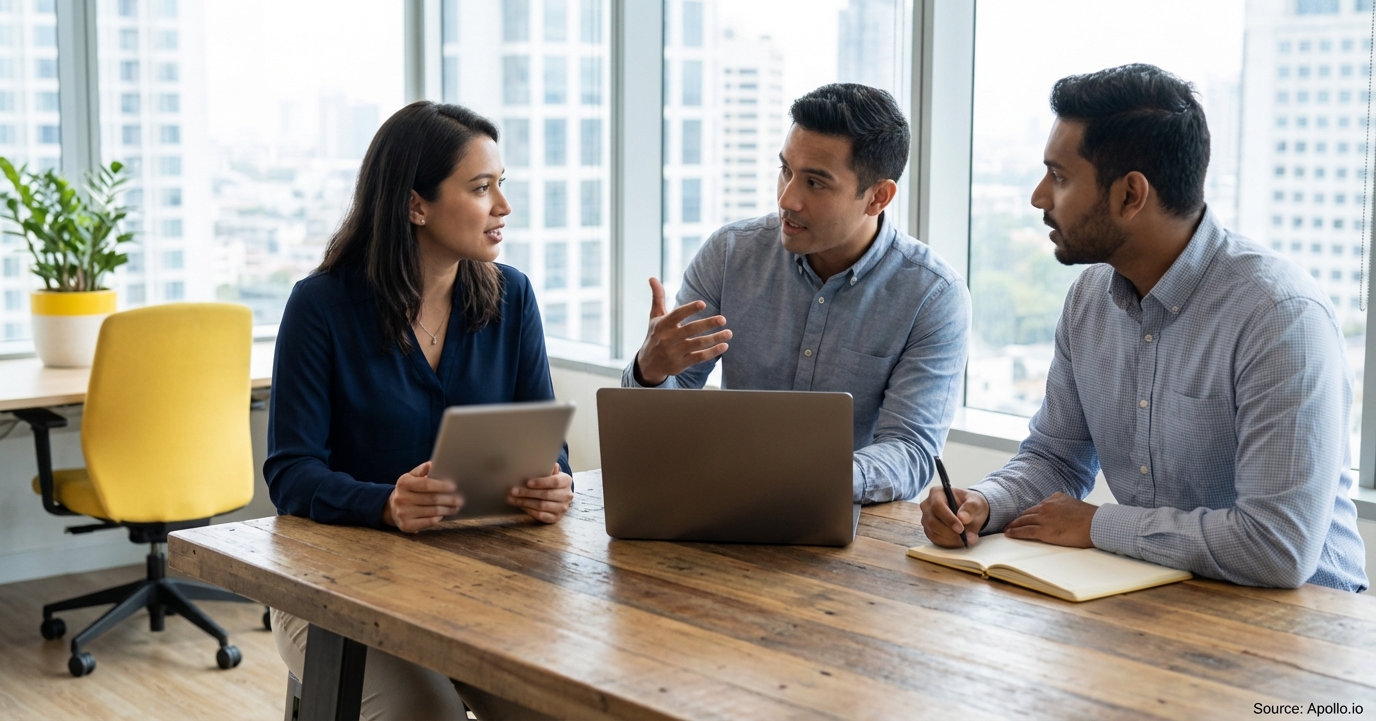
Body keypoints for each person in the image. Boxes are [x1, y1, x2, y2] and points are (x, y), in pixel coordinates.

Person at [920, 64, 1367, 592]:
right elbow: (1056, 457)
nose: (1039, 197)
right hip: (1160, 600)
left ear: (1131, 195)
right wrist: (984, 502)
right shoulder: (1089, 300)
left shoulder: (1279, 316)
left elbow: (1276, 547)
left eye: (1059, 177)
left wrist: (1099, 525)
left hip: (1307, 627)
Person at [263, 101, 573, 719]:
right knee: (423, 715)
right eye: (481, 189)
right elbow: (289, 473)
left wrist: (551, 483)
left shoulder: (512, 297)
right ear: (415, 205)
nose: (502, 208)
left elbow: (547, 446)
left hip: (478, 576)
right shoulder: (320, 306)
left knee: (560, 707)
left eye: (500, 187)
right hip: (335, 588)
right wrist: (384, 503)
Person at [625, 83, 970, 504]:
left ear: (878, 197)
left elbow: (911, 451)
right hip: (726, 504)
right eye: (785, 170)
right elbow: (660, 425)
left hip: (846, 519)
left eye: (815, 183)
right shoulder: (730, 254)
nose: (788, 198)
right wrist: (650, 372)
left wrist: (807, 478)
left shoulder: (933, 296)